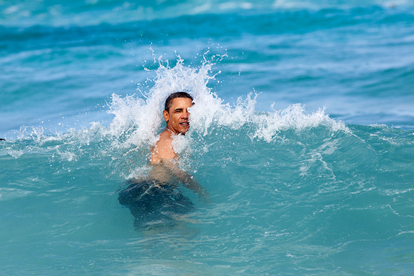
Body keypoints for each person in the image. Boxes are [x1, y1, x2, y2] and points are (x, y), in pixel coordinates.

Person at [118, 92, 210, 230]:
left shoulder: (165, 136)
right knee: (189, 227)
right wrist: (201, 191)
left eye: (189, 110)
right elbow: (178, 173)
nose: (185, 115)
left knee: (152, 239)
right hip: (153, 192)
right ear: (166, 115)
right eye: (179, 111)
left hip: (142, 190)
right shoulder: (167, 141)